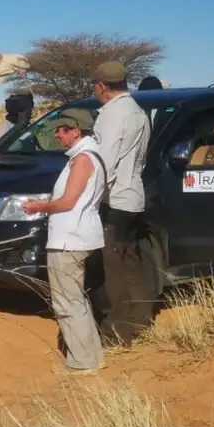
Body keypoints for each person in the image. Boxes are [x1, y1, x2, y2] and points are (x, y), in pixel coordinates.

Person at [23, 110, 107, 373]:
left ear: (76, 131)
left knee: (67, 302)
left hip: (69, 240)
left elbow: (68, 202)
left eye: (61, 129)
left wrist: (39, 206)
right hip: (80, 237)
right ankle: (92, 357)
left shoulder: (82, 160)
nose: (56, 134)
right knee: (76, 300)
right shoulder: (89, 156)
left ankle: (82, 363)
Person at [91, 60, 154, 345]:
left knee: (114, 268)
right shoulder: (139, 112)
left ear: (102, 87)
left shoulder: (112, 115)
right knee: (131, 264)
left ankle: (116, 331)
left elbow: (106, 163)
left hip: (115, 199)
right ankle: (140, 322)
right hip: (134, 197)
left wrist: (89, 196)